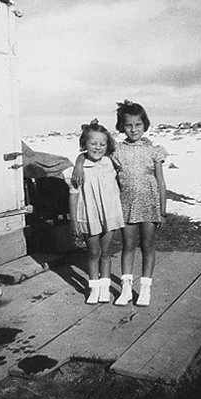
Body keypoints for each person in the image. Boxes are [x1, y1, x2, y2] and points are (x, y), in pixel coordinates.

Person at [72, 100, 168, 306]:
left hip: (150, 205)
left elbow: (160, 180)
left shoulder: (155, 150)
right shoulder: (116, 151)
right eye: (128, 125)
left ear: (145, 124)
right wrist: (79, 164)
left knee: (148, 246)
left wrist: (163, 208)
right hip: (126, 206)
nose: (133, 129)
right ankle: (125, 289)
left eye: (138, 125)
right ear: (121, 127)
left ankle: (144, 289)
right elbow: (92, 153)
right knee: (128, 246)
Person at [63, 119, 124, 304]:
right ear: (84, 144)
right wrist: (73, 221)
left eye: (102, 144)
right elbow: (73, 196)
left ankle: (104, 289)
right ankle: (94, 288)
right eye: (93, 143)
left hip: (109, 215)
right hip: (89, 217)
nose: (98, 147)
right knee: (92, 253)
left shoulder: (111, 163)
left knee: (106, 253)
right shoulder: (77, 171)